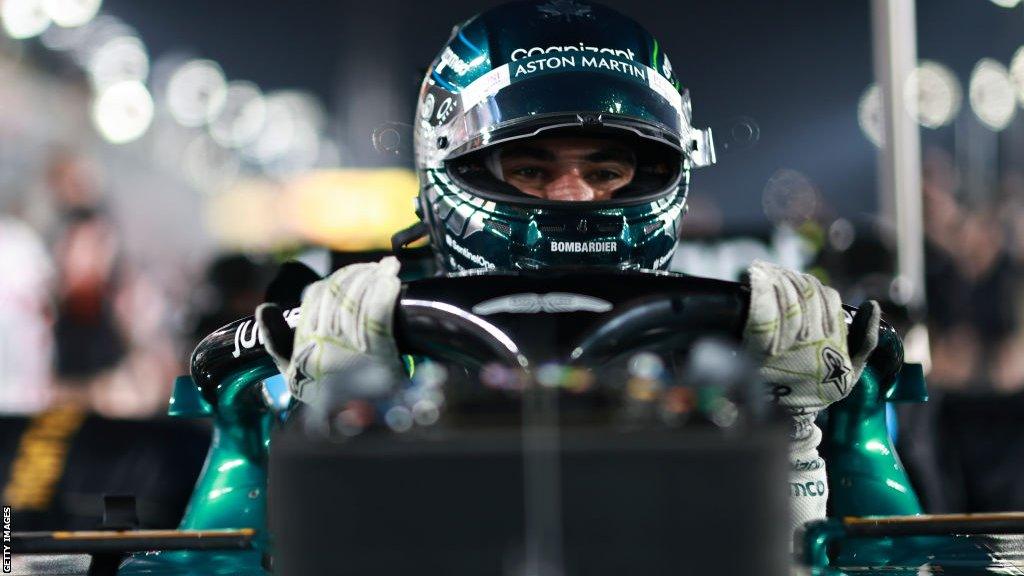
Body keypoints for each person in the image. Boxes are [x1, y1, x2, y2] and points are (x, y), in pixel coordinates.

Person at [256, 0, 881, 538]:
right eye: (531, 169)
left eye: (606, 173)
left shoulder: (751, 338)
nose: (575, 197)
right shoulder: (349, 324)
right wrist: (329, 416)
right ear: (449, 173)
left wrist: (794, 433)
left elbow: (890, 558)